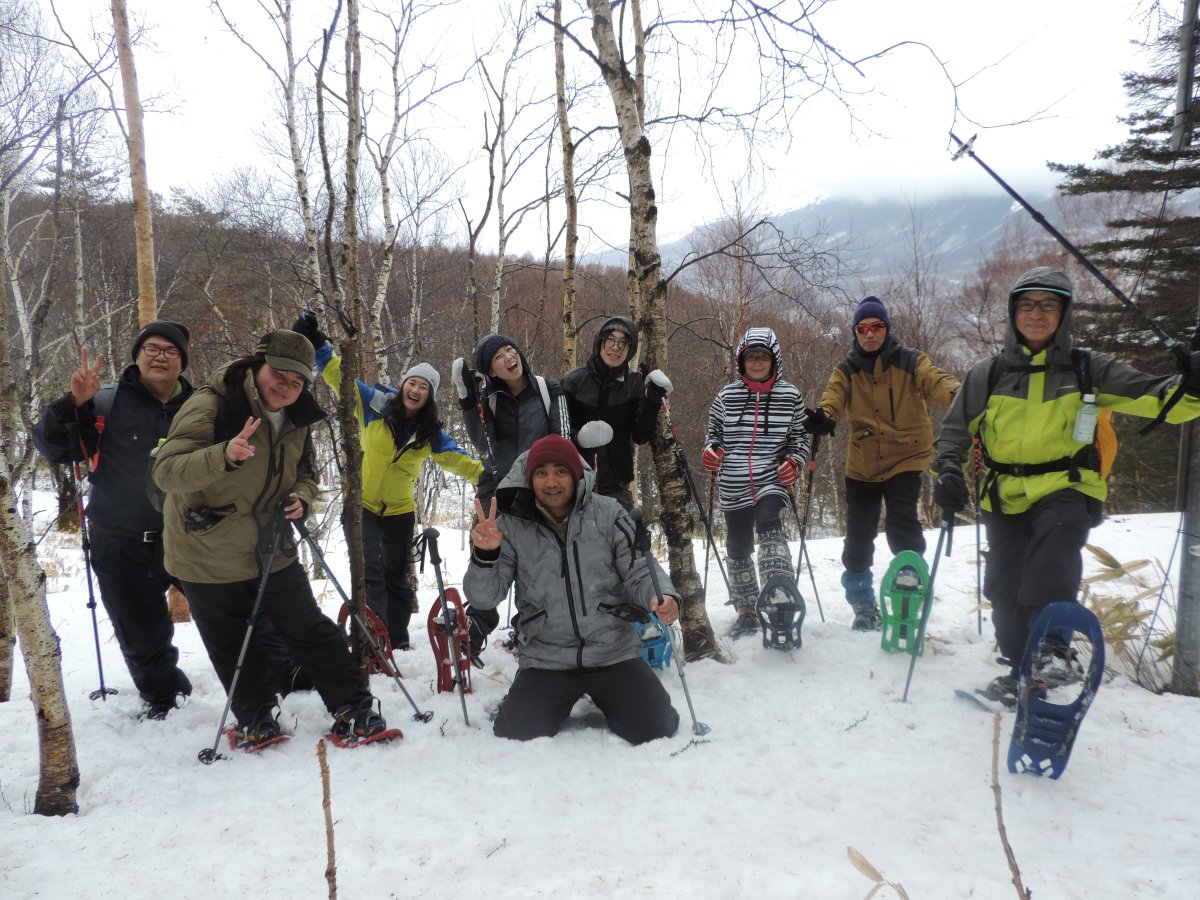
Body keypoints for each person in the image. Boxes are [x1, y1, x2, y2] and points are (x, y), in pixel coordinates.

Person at [933, 266, 1200, 703]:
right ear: (1013, 312)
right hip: (1004, 496)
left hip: (1068, 487)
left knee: (1054, 549)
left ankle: (1053, 651)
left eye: (1048, 305)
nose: (1036, 313)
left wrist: (1192, 386)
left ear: (1064, 313)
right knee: (1005, 592)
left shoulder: (1088, 369)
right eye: (1027, 304)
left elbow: (1162, 400)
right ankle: (1024, 672)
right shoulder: (989, 373)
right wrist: (947, 470)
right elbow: (955, 431)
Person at [152, 329, 388, 747]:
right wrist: (223, 456)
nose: (286, 386)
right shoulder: (213, 404)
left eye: (297, 381)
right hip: (206, 551)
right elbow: (166, 472)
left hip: (271, 546)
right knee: (231, 642)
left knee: (308, 628)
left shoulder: (298, 416)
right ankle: (255, 717)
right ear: (257, 365)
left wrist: (303, 498)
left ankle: (354, 707)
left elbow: (307, 474)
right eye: (278, 374)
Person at [463, 434, 680, 744]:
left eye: (560, 471)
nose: (551, 481)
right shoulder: (511, 525)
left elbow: (640, 569)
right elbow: (484, 598)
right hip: (547, 657)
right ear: (530, 478)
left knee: (657, 727)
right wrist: (486, 555)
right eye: (541, 473)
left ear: (576, 475)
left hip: (612, 653)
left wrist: (661, 596)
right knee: (516, 732)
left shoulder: (609, 513)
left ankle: (607, 696)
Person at [33, 320, 196, 719]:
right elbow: (56, 449)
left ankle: (260, 684)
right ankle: (164, 697)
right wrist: (74, 405)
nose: (160, 357)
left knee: (231, 612)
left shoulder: (200, 407)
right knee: (139, 632)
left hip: (189, 535)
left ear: (182, 361)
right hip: (119, 538)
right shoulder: (106, 402)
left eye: (170, 351)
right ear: (137, 356)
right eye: (151, 348)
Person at [293, 313, 483, 650]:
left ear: (429, 396)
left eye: (424, 387)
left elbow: (460, 460)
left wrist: (491, 478)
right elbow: (338, 375)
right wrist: (318, 343)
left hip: (399, 512)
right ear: (403, 384)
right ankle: (374, 639)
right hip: (363, 506)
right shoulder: (373, 405)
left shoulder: (429, 433)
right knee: (370, 572)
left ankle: (398, 640)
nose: (416, 390)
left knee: (396, 577)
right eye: (413, 383)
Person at [803, 296, 960, 631]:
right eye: (862, 329)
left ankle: (909, 590)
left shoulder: (910, 360)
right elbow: (833, 398)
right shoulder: (847, 370)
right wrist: (825, 417)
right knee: (858, 539)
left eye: (876, 327)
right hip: (863, 464)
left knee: (902, 523)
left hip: (906, 456)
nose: (870, 334)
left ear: (887, 329)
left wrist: (959, 394)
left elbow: (934, 380)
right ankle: (862, 603)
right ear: (855, 333)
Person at [451, 333, 571, 660]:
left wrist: (558, 482)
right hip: (498, 485)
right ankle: (477, 623)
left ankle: (528, 627)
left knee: (538, 561)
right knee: (488, 548)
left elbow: (563, 440)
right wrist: (468, 401)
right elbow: (483, 443)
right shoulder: (489, 399)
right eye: (498, 357)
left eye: (510, 349)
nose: (509, 356)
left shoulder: (549, 389)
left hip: (540, 486)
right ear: (491, 371)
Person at [702, 327, 810, 636]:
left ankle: (779, 591)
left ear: (775, 360)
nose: (758, 362)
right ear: (741, 361)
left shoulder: (790, 396)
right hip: (733, 481)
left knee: (768, 521)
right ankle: (746, 608)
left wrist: (794, 462)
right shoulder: (727, 396)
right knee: (738, 545)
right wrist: (711, 452)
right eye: (751, 357)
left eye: (763, 356)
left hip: (770, 478)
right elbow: (713, 435)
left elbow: (799, 438)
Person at [560, 316, 673, 511]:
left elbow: (640, 435)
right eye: (610, 340)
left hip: (616, 485)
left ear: (630, 350)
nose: (616, 347)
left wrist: (653, 400)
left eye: (623, 343)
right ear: (600, 342)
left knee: (622, 530)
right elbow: (556, 430)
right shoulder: (574, 381)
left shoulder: (634, 384)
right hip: (574, 481)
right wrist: (578, 437)